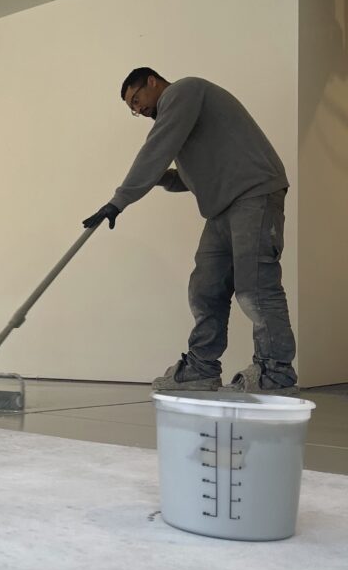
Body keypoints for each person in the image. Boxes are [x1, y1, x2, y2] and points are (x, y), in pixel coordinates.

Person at [82, 69, 298, 394]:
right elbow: (192, 175)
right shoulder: (186, 114)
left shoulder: (183, 92)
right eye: (133, 108)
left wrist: (119, 201)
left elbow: (157, 148)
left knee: (255, 287)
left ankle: (275, 375)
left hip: (254, 194)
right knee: (205, 289)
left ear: (152, 82)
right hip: (221, 207)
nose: (138, 110)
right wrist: (162, 178)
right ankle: (201, 369)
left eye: (137, 100)